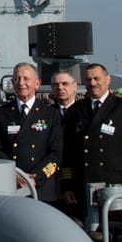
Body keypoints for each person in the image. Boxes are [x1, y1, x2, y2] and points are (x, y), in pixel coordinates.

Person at [69, 62, 122, 230]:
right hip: (84, 186)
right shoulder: (75, 111)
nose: (93, 83)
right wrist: (67, 185)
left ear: (108, 79)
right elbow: (69, 153)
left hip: (116, 186)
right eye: (88, 80)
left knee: (120, 234)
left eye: (97, 78)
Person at [0, 62, 62, 203]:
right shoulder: (1, 113)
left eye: (26, 79)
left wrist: (35, 177)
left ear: (37, 83)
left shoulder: (51, 114)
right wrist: (15, 175)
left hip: (42, 187)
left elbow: (56, 153)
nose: (21, 83)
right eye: (17, 79)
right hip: (12, 184)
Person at [49, 68, 87, 217]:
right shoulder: (47, 113)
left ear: (75, 86)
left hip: (77, 180)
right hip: (52, 180)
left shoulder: (84, 112)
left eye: (65, 83)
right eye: (55, 85)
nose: (60, 88)